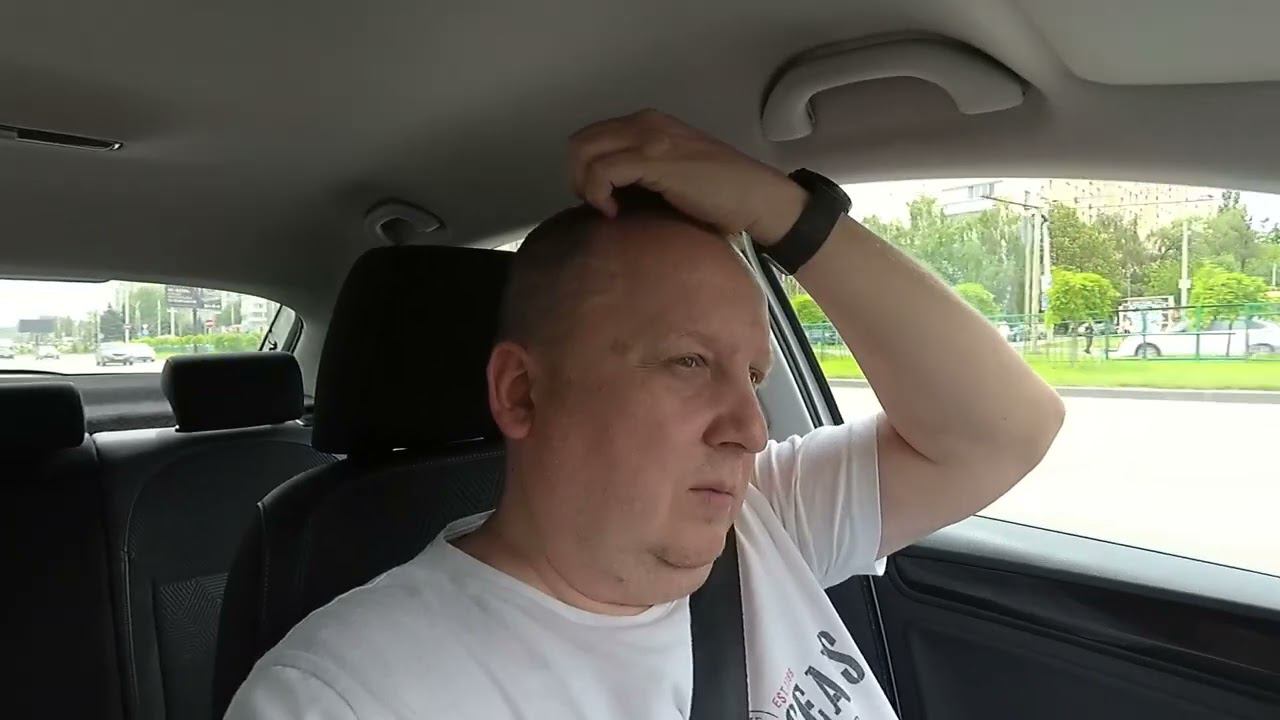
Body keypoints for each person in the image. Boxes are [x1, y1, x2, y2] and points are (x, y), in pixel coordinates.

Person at [226, 110, 1064, 719]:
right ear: (521, 393)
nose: (751, 427)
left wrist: (781, 210)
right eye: (689, 363)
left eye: (754, 375)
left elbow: (1006, 429)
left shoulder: (764, 520)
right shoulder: (345, 696)